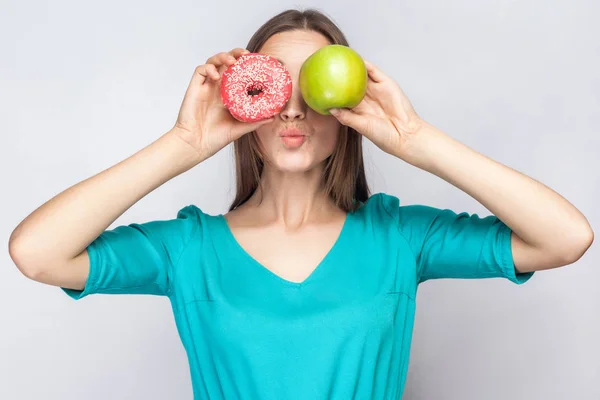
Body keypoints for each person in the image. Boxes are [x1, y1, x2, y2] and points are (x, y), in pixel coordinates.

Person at [8, 8, 593, 400]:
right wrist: (181, 145)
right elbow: (36, 253)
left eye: (310, 86)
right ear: (245, 109)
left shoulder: (399, 239)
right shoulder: (187, 249)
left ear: (344, 108)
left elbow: (565, 238)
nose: (291, 110)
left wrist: (416, 138)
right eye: (273, 86)